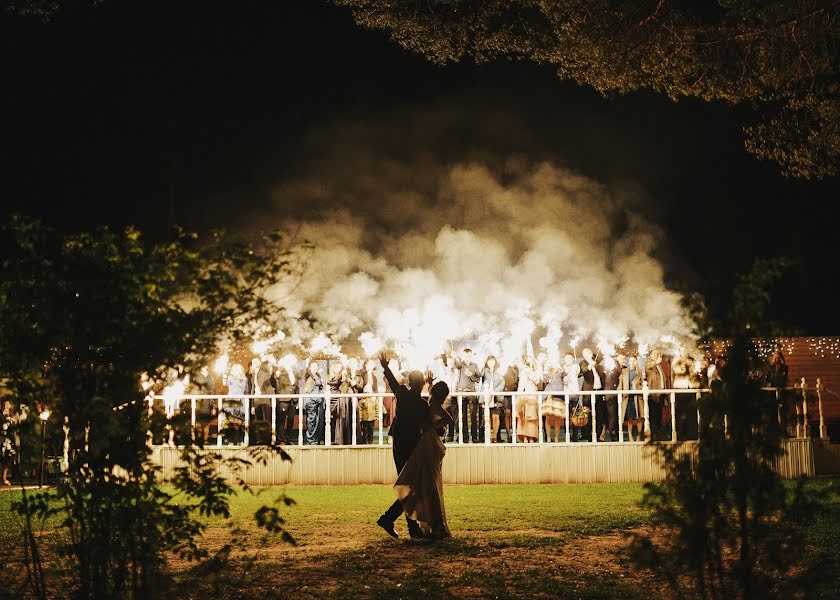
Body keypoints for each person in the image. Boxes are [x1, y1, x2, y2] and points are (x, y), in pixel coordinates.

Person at [376, 352, 429, 539]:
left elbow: (391, 381)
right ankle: (391, 520)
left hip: (399, 445)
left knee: (409, 487)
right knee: (411, 488)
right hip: (412, 447)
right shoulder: (423, 404)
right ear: (421, 383)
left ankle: (404, 525)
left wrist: (385, 365)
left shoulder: (403, 394)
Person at [393, 380, 454, 539]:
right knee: (425, 484)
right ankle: (432, 525)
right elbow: (447, 419)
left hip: (422, 444)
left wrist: (431, 425)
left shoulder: (427, 403)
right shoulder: (428, 404)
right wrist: (434, 426)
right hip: (426, 444)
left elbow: (446, 419)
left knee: (423, 484)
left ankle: (425, 525)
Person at [454, 349, 482, 443]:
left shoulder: (475, 366)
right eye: (466, 356)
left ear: (471, 356)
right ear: (463, 356)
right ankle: (465, 437)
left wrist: (471, 376)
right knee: (462, 416)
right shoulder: (460, 365)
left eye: (469, 356)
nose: (467, 358)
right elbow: (457, 364)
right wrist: (455, 356)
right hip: (461, 392)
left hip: (472, 393)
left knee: (474, 416)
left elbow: (478, 379)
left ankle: (474, 436)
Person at [645, 350, 671, 441]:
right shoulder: (648, 363)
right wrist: (656, 362)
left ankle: (658, 435)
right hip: (653, 394)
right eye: (655, 354)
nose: (657, 355)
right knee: (653, 415)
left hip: (660, 393)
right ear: (651, 354)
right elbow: (648, 366)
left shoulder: (658, 365)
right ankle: (653, 436)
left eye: (658, 354)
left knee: (659, 415)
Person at [579, 348, 604, 442]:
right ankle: (588, 435)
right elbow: (584, 371)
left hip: (598, 391)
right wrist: (590, 366)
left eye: (588, 352)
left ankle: (597, 434)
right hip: (588, 392)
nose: (587, 354)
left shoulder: (596, 362)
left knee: (599, 414)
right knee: (588, 414)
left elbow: (601, 374)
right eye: (584, 353)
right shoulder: (583, 362)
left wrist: (595, 365)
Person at [480, 355, 505, 443]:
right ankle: (488, 435)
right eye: (489, 361)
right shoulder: (484, 371)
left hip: (496, 397)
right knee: (487, 416)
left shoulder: (499, 372)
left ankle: (494, 436)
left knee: (495, 416)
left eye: (493, 361)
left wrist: (494, 392)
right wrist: (484, 368)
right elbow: (480, 376)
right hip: (486, 396)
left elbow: (502, 383)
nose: (491, 363)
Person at [602, 353, 625, 442]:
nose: (623, 360)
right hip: (611, 394)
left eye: (624, 358)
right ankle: (613, 436)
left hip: (616, 395)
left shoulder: (619, 367)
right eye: (621, 358)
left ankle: (614, 434)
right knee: (612, 416)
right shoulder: (614, 366)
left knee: (615, 415)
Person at [273, 360, 297, 444]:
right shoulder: (280, 372)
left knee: (291, 421)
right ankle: (281, 439)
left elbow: (296, 386)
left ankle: (288, 439)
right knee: (281, 420)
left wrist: (297, 399)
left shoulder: (294, 373)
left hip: (293, 400)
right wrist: (277, 374)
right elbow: (275, 379)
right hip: (283, 399)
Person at [516, 357, 540, 443]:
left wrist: (530, 373)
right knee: (523, 415)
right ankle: (524, 436)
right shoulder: (522, 371)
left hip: (532, 394)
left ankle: (532, 437)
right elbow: (520, 384)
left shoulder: (536, 371)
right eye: (527, 361)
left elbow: (537, 381)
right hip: (523, 394)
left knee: (532, 416)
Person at [621, 355, 645, 442]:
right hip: (628, 397)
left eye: (634, 361)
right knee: (630, 418)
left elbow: (643, 384)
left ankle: (639, 436)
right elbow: (621, 384)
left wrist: (639, 389)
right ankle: (630, 435)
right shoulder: (624, 371)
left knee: (639, 417)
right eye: (630, 361)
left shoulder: (639, 372)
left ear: (636, 362)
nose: (632, 362)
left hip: (637, 397)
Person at [302, 361, 325, 445]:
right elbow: (307, 390)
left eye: (316, 366)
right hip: (311, 401)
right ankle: (311, 440)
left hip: (318, 400)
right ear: (310, 367)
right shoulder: (308, 375)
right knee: (311, 421)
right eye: (313, 366)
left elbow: (319, 387)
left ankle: (316, 439)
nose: (315, 368)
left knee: (317, 421)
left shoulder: (317, 376)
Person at [542, 363, 566, 443]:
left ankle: (556, 438)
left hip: (558, 395)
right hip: (549, 396)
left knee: (557, 418)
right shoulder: (547, 371)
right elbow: (544, 379)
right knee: (548, 418)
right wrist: (548, 373)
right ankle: (548, 438)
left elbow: (565, 376)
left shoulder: (560, 371)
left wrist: (560, 369)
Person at [358, 358, 379, 445]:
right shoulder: (362, 374)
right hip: (363, 400)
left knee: (371, 426)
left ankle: (370, 441)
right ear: (365, 365)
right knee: (364, 426)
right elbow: (360, 386)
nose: (371, 366)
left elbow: (375, 389)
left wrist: (375, 396)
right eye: (369, 364)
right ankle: (364, 440)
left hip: (372, 400)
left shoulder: (374, 377)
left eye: (372, 364)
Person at [497, 361, 518, 443]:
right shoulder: (506, 368)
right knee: (507, 414)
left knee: (513, 415)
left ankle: (513, 435)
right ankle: (509, 435)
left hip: (515, 393)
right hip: (507, 394)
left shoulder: (516, 368)